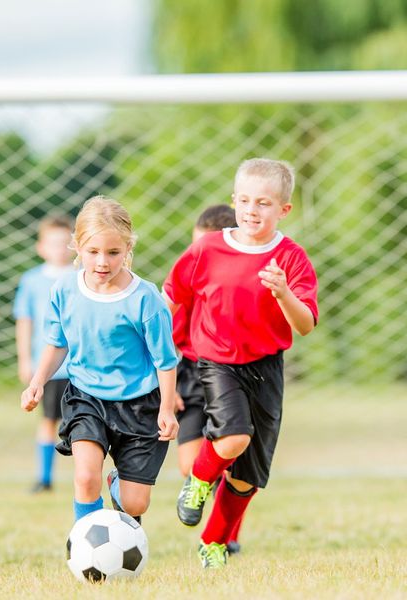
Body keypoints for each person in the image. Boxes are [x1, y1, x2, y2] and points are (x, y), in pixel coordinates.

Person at [164, 158, 318, 569]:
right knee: (232, 438)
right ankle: (197, 482)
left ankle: (213, 542)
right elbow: (171, 296)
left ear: (284, 209)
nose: (252, 210)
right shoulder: (207, 249)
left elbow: (305, 324)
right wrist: (155, 353)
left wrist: (284, 294)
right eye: (245, 200)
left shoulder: (291, 257)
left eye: (264, 203)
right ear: (234, 201)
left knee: (247, 476)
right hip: (217, 361)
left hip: (266, 366)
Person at [21, 196, 179, 524]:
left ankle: (119, 485)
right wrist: (37, 381)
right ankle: (85, 542)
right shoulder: (64, 290)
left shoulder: (145, 298)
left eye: (113, 253)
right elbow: (56, 342)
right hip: (86, 396)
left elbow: (164, 360)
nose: (102, 262)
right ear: (77, 247)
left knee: (136, 505)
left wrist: (165, 408)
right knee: (84, 477)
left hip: (139, 404)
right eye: (92, 252)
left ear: (128, 248)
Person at [172, 204, 243, 554]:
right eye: (194, 248)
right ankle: (204, 497)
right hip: (188, 375)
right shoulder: (184, 286)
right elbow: (161, 341)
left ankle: (226, 536)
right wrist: (165, 388)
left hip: (233, 373)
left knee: (236, 461)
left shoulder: (238, 285)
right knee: (191, 464)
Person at [13, 215, 75, 493]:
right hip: (48, 367)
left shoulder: (83, 275)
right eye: (53, 243)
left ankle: (84, 476)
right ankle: (45, 477)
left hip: (80, 366)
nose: (59, 248)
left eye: (65, 242)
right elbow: (24, 321)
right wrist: (25, 359)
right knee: (48, 420)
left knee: (82, 424)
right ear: (41, 247)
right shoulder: (32, 280)